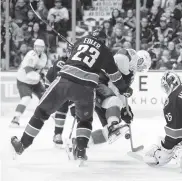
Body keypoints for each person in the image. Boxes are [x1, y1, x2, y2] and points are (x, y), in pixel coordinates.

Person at [11, 30, 129, 161]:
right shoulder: (106, 51)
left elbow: (73, 55)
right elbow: (116, 76)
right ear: (104, 40)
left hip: (65, 81)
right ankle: (80, 152)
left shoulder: (81, 40)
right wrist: (125, 89)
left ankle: (22, 144)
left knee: (41, 113)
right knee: (84, 121)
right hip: (86, 88)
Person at [90, 49, 152, 144]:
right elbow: (120, 56)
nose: (141, 69)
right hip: (98, 82)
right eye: (143, 66)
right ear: (140, 60)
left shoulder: (131, 73)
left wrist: (125, 109)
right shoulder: (132, 56)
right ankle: (112, 126)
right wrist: (123, 85)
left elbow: (120, 91)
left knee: (111, 130)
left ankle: (81, 143)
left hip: (103, 91)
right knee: (114, 109)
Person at [10, 39, 48, 127]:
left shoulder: (44, 56)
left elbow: (40, 70)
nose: (39, 49)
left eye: (41, 47)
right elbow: (29, 72)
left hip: (35, 81)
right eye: (38, 46)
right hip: (24, 80)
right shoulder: (30, 55)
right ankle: (15, 118)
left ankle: (53, 116)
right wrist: (40, 77)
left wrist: (42, 75)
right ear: (34, 47)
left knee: (45, 97)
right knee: (26, 98)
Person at [44, 47, 75, 145]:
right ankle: (57, 134)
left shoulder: (79, 62)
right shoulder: (60, 62)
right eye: (70, 52)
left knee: (77, 112)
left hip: (70, 89)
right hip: (56, 87)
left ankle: (81, 136)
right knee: (62, 109)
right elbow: (62, 81)